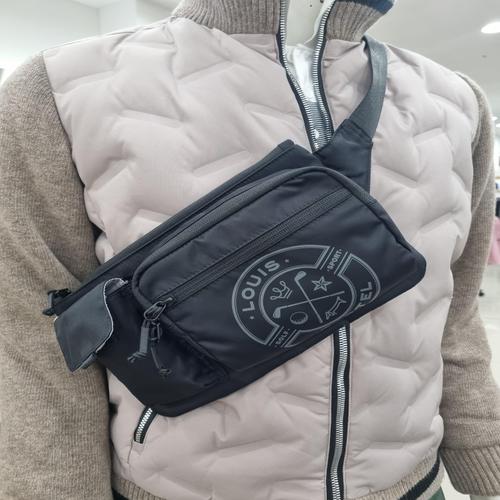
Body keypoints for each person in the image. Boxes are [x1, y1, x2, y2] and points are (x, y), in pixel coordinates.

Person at [0, 1, 499, 499]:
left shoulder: (456, 102)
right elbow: (36, 341)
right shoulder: (60, 88)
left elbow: (453, 313)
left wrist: (483, 446)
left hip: (411, 483)